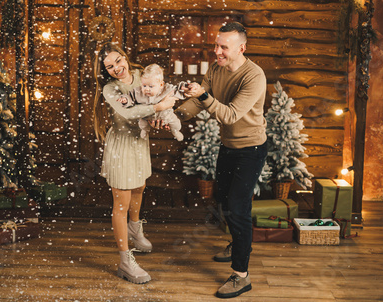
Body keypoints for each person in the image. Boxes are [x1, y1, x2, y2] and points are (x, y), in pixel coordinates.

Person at [175, 22, 268, 299]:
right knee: (224, 200)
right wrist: (173, 115)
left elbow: (228, 115)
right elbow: (197, 101)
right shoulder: (216, 68)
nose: (217, 51)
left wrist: (203, 96)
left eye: (223, 47)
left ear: (242, 48)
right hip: (227, 145)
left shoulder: (254, 76)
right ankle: (237, 242)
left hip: (251, 149)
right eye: (216, 45)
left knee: (238, 208)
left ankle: (242, 275)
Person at [93, 42, 177, 284]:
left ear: (124, 56)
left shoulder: (142, 75)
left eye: (118, 61)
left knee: (139, 187)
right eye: (109, 66)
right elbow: (129, 113)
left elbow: (160, 92)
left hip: (139, 142)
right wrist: (158, 107)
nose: (116, 68)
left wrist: (158, 118)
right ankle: (125, 261)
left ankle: (134, 229)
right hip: (121, 145)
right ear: (105, 70)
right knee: (122, 201)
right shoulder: (111, 89)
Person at [118, 64, 187, 141]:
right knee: (142, 123)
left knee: (175, 122)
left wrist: (185, 87)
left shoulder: (166, 89)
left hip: (166, 115)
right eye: (144, 85)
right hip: (147, 117)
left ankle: (176, 131)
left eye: (151, 86)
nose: (147, 89)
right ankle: (145, 130)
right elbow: (130, 97)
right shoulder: (138, 92)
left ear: (161, 85)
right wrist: (125, 100)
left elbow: (177, 90)